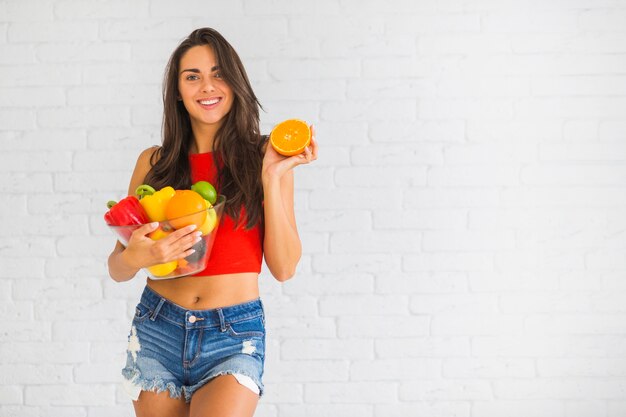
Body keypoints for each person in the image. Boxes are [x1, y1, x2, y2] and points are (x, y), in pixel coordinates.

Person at [107, 27, 318, 417]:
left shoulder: (265, 156)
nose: (207, 86)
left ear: (235, 83)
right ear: (177, 90)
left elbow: (284, 268)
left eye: (218, 73)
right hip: (157, 327)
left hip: (234, 333)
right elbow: (118, 268)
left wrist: (270, 177)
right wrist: (139, 255)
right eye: (192, 76)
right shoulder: (152, 164)